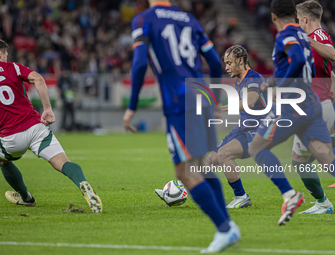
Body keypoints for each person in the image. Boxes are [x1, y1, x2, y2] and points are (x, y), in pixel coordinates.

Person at [123, 0, 240, 253]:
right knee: (203, 168)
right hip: (202, 98)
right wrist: (216, 99)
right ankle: (229, 226)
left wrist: (132, 106)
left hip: (178, 102)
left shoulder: (144, 19)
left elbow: (140, 63)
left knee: (184, 172)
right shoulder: (190, 20)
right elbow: (215, 62)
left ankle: (224, 229)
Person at [248, 0, 335, 225]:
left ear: (273, 17)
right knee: (319, 155)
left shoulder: (291, 34)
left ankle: (293, 195)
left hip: (298, 105)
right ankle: (320, 202)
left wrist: (280, 85)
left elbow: (297, 60)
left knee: (258, 147)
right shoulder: (305, 36)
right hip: (314, 102)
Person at [0, 38, 102, 213]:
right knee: (63, 162)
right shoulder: (13, 67)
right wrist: (47, 109)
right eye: (6, 53)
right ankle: (83, 183)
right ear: (0, 53)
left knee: (1, 159)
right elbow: (38, 78)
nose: (7, 56)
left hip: (11, 137)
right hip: (36, 128)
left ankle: (26, 197)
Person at [207, 45, 267, 209]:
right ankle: (180, 190)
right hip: (243, 129)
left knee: (224, 154)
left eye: (229, 63)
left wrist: (223, 107)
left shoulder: (254, 78)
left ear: (240, 61)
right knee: (209, 160)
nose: (226, 67)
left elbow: (249, 102)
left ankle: (241, 196)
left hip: (259, 132)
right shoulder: (239, 79)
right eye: (225, 63)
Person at [291, 0, 334, 214]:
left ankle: (323, 203)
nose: (298, 24)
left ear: (306, 19)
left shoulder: (318, 37)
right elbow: (328, 70)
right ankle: (322, 203)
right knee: (304, 158)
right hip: (317, 105)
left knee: (304, 158)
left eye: (299, 20)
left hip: (315, 107)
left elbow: (332, 54)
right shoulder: (316, 39)